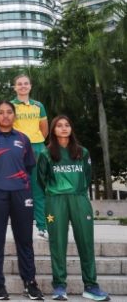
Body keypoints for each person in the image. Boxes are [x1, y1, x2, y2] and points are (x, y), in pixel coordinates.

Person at [0, 101, 43, 300]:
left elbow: (29, 166)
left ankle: (30, 283)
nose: (5, 116)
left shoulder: (23, 138)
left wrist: (17, 181)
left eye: (9, 112)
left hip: (21, 193)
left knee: (25, 240)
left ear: (14, 116)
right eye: (1, 112)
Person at [37, 115, 110, 301]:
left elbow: (87, 175)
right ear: (53, 130)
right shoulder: (46, 153)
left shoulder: (82, 152)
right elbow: (41, 179)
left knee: (86, 243)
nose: (63, 128)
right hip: (56, 201)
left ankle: (91, 286)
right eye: (59, 126)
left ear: (71, 129)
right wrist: (55, 191)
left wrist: (76, 192)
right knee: (58, 244)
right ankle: (59, 286)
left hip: (79, 199)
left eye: (67, 125)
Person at [11, 74, 49, 240]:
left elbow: (44, 129)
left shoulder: (38, 105)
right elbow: (4, 127)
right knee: (18, 189)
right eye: (19, 84)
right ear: (15, 87)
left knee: (38, 189)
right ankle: (20, 227)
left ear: (30, 86)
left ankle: (42, 226)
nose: (23, 86)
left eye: (26, 83)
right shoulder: (10, 106)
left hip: (37, 149)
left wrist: (37, 143)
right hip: (18, 151)